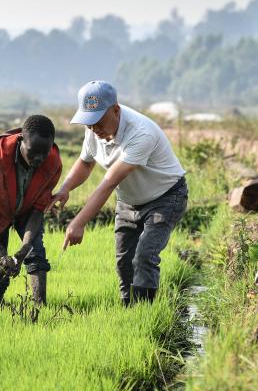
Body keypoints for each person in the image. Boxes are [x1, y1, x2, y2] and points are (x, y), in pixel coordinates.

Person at [55, 81, 187, 306]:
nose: (93, 129)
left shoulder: (140, 133)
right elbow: (86, 164)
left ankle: (144, 313)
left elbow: (108, 182)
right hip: (128, 201)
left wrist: (78, 222)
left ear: (116, 109)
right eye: (88, 123)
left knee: (144, 256)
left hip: (165, 198)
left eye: (98, 121)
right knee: (124, 261)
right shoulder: (94, 131)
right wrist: (65, 188)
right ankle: (128, 310)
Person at [0, 115, 62, 307]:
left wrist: (24, 248)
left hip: (27, 209)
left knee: (36, 253)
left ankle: (39, 309)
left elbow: (37, 210)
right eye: (33, 152)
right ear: (21, 141)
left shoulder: (53, 163)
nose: (39, 158)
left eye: (45, 152)